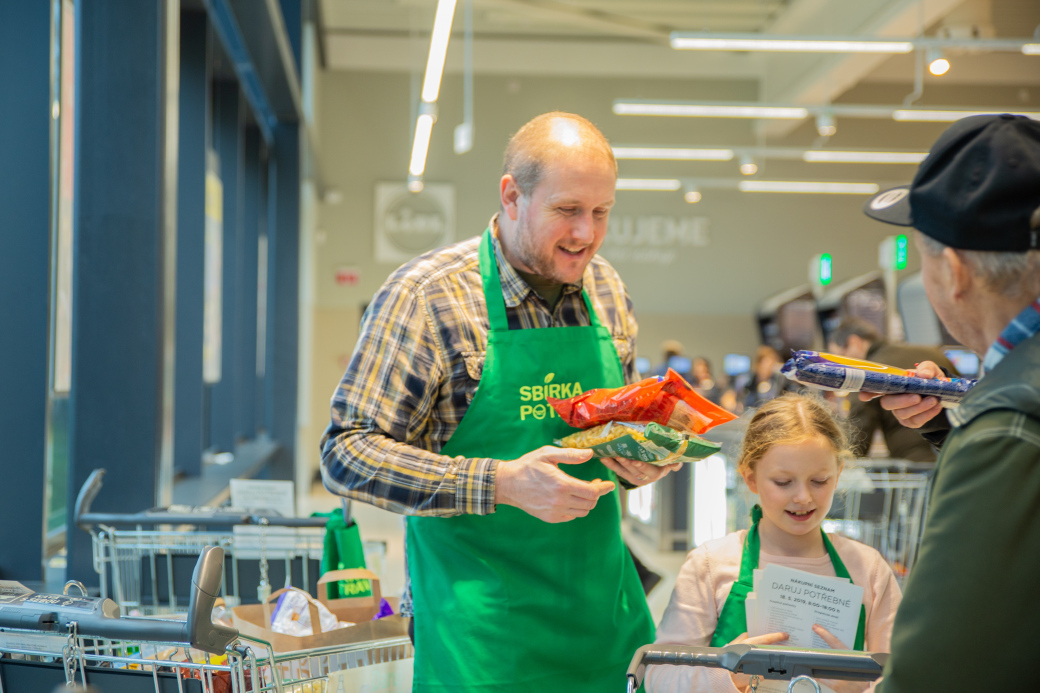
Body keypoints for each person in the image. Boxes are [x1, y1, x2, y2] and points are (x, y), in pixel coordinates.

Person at [320, 112, 680, 692]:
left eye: (601, 212)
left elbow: (616, 433)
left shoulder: (606, 289)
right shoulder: (428, 296)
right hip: (481, 636)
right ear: (512, 196)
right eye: (567, 211)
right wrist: (501, 483)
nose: (586, 234)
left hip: (604, 626)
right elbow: (347, 453)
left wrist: (641, 463)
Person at [858, 114, 1040, 692]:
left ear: (954, 271)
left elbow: (938, 674)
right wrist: (948, 427)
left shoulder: (1005, 430)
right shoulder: (1003, 414)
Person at [645, 394, 901, 693]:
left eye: (819, 481)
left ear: (839, 474)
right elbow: (659, 677)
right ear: (750, 478)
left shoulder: (869, 570)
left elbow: (902, 675)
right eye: (783, 482)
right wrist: (728, 676)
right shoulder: (711, 564)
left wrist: (854, 687)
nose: (803, 497)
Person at [826, 318, 957, 462]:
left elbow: (859, 427)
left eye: (840, 358)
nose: (842, 367)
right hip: (955, 452)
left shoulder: (869, 370)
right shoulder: (933, 353)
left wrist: (844, 461)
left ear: (854, 343)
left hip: (913, 462)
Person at [741, 345, 799, 409]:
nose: (768, 368)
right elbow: (744, 401)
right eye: (765, 364)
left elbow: (794, 395)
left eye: (771, 364)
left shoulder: (781, 381)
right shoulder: (749, 382)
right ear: (758, 364)